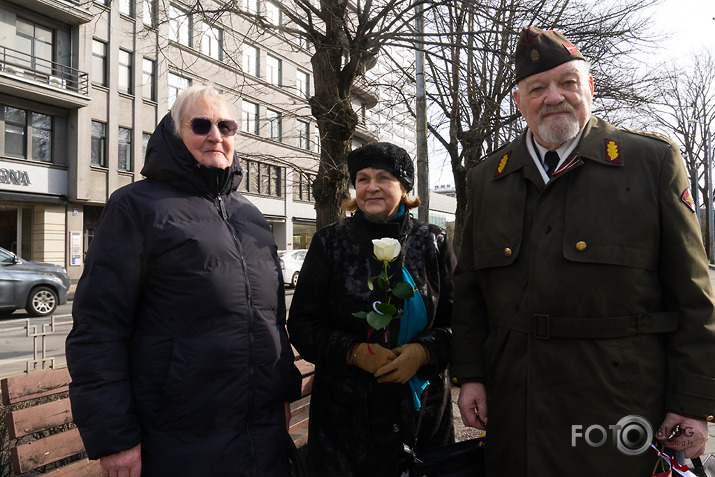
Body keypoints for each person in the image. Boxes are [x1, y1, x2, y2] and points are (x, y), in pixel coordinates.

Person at [450, 26, 715, 476]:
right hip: (518, 401)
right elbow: (470, 292)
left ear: (589, 88)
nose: (554, 97)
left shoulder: (651, 162)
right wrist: (471, 376)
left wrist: (692, 404)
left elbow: (693, 295)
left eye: (568, 82)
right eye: (537, 88)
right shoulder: (487, 179)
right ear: (519, 102)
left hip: (620, 402)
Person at [65, 85, 302, 476]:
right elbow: (98, 330)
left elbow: (271, 321)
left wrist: (283, 390)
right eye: (201, 124)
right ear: (176, 133)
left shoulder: (252, 217)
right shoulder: (136, 207)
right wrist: (115, 437)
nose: (216, 135)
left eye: (226, 125)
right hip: (178, 441)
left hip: (262, 435)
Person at [287, 142, 457, 476]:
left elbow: (462, 322)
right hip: (345, 424)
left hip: (423, 415)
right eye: (362, 179)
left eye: (383, 177)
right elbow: (303, 324)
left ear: (405, 187)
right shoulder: (329, 243)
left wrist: (424, 353)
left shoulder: (433, 242)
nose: (371, 186)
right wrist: (353, 351)